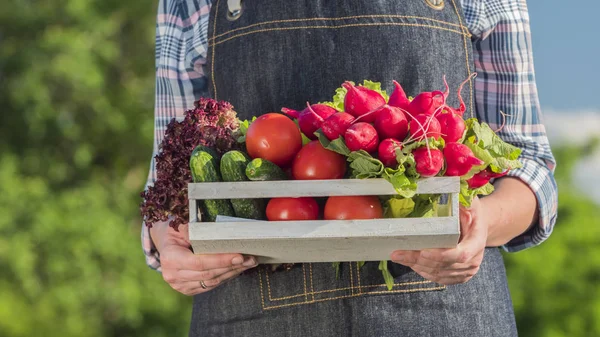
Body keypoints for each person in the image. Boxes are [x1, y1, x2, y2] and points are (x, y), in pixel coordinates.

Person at [143, 0, 558, 336]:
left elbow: (528, 166)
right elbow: (169, 184)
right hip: (248, 310)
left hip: (442, 305)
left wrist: (481, 220)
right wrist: (170, 243)